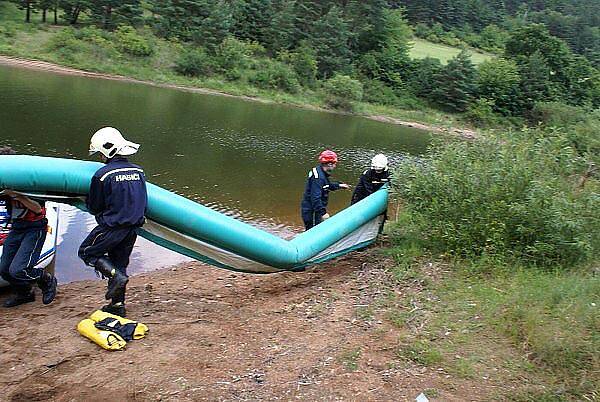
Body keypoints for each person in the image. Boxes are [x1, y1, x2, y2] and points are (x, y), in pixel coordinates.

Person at [78, 127, 147, 317]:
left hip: (111, 227)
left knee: (86, 252)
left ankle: (117, 277)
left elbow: (94, 206)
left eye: (100, 153)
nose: (100, 157)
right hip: (132, 229)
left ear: (107, 150)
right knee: (119, 263)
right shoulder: (138, 171)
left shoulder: (102, 175)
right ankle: (118, 306)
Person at [0, 146, 58, 307]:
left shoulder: (30, 181)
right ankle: (24, 293)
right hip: (17, 227)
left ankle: (46, 279)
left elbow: (38, 209)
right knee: (4, 269)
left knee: (18, 270)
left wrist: (17, 195)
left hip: (35, 227)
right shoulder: (4, 182)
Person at [301, 150, 350, 230]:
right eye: (334, 164)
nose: (335, 166)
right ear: (329, 164)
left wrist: (339, 185)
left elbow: (326, 186)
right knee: (312, 230)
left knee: (316, 228)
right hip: (312, 209)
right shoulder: (319, 178)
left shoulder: (320, 172)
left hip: (315, 207)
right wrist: (323, 213)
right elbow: (315, 198)